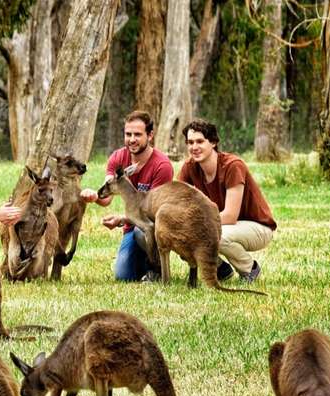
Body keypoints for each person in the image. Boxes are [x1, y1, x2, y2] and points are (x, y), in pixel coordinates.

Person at [79, 110, 174, 281]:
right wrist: (95, 196)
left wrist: (122, 219)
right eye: (128, 134)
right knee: (124, 275)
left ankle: (157, 269)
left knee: (142, 230)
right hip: (132, 226)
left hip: (155, 224)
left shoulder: (162, 166)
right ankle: (144, 265)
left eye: (137, 134)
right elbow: (107, 196)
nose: (131, 139)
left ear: (150, 135)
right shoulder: (118, 158)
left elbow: (155, 213)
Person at [178, 119, 276, 282]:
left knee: (214, 236)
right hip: (224, 225)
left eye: (200, 141)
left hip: (257, 227)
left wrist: (195, 225)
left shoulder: (232, 166)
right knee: (182, 236)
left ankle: (250, 269)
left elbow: (230, 216)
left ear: (214, 142)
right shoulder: (190, 167)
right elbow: (176, 199)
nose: (194, 147)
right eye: (190, 142)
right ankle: (221, 269)